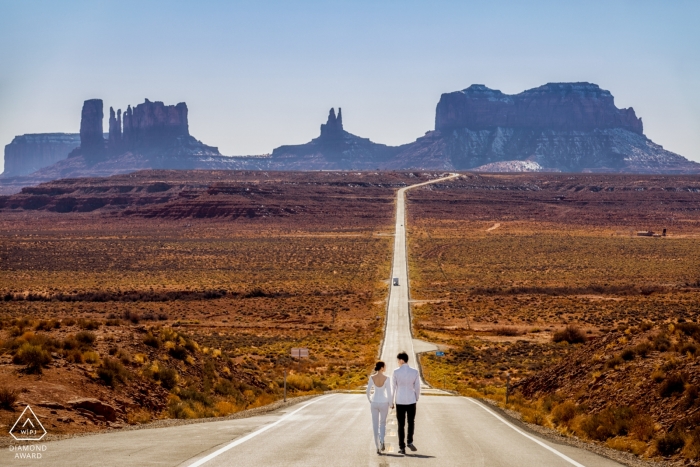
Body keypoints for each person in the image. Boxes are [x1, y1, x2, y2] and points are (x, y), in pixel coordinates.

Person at [392, 351, 420, 455]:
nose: (397, 362)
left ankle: (402, 447)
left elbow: (393, 388)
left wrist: (391, 401)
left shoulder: (396, 372)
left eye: (398, 360)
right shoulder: (415, 372)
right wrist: (416, 397)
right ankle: (410, 441)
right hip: (411, 400)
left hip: (400, 400)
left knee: (401, 424)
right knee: (411, 422)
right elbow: (417, 387)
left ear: (401, 360)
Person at [366, 360, 393, 455]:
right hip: (383, 402)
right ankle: (382, 439)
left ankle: (377, 447)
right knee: (382, 423)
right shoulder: (387, 378)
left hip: (374, 402)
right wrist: (391, 403)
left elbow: (368, 391)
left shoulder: (372, 377)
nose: (385, 367)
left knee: (375, 424)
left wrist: (370, 400)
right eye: (385, 366)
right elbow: (389, 393)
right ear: (382, 368)